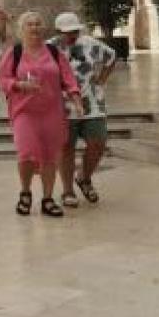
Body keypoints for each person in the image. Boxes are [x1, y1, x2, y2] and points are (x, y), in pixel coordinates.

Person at [0, 12, 83, 218]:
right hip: (24, 111)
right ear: (21, 29)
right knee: (25, 153)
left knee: (50, 157)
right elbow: (2, 79)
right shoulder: (14, 52)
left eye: (37, 24)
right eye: (29, 24)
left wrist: (76, 99)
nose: (34, 28)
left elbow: (68, 78)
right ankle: (25, 193)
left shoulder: (53, 52)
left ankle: (47, 199)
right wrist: (19, 84)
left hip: (52, 112)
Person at [51, 12, 116, 209]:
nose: (72, 35)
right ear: (58, 32)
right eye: (67, 32)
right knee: (66, 147)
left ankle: (84, 178)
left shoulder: (90, 43)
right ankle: (68, 191)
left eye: (75, 31)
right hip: (63, 104)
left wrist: (102, 80)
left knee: (98, 142)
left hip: (92, 103)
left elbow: (111, 57)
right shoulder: (49, 48)